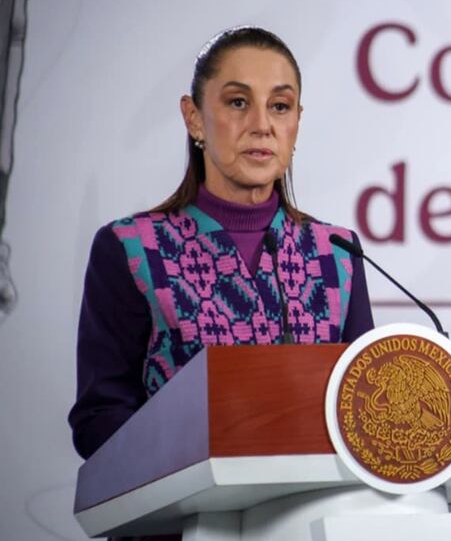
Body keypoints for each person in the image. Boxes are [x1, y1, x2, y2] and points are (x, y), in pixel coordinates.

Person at [68, 26, 374, 461]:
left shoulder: (337, 255)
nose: (262, 125)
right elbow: (100, 419)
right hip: (181, 518)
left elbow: (363, 410)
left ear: (297, 124)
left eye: (280, 106)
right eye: (237, 102)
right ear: (194, 117)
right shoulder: (132, 249)